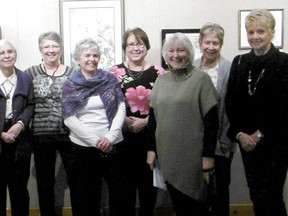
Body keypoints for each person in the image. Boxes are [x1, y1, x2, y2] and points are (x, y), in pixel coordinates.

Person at [147, 32, 219, 216]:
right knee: (178, 205)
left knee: (195, 205)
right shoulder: (161, 80)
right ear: (165, 54)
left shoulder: (201, 79)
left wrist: (208, 156)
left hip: (193, 157)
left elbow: (212, 122)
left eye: (181, 50)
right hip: (167, 156)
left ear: (189, 53)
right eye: (171, 51)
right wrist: (151, 149)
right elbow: (153, 119)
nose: (176, 55)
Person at [225, 9, 288, 216]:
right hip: (247, 143)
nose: (255, 36)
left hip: (275, 142)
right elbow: (231, 103)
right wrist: (240, 135)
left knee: (272, 195)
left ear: (272, 33)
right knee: (256, 193)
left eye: (260, 31)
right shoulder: (240, 62)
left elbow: (284, 106)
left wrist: (259, 134)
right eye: (250, 32)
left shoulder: (284, 62)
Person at [61, 38, 126, 216]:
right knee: (86, 198)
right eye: (87, 55)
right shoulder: (70, 84)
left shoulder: (109, 80)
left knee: (119, 196)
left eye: (95, 55)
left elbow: (121, 107)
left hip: (113, 145)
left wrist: (110, 137)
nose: (92, 59)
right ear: (78, 59)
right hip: (83, 148)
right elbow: (69, 118)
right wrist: (97, 140)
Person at [109, 27, 165, 216]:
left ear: (147, 47)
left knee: (148, 190)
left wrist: (146, 122)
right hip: (121, 139)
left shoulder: (159, 72)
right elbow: (107, 103)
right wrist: (123, 120)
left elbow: (164, 107)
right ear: (125, 47)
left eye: (140, 43)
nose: (136, 48)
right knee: (122, 193)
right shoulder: (113, 72)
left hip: (150, 139)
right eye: (131, 44)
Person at [25, 31, 75, 216]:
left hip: (69, 133)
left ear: (60, 49)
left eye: (54, 46)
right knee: (45, 182)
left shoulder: (72, 72)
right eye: (47, 46)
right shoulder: (30, 73)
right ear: (40, 50)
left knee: (75, 178)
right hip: (40, 135)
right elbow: (25, 103)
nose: (51, 50)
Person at [194, 22, 236, 216]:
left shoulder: (230, 68)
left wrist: (226, 140)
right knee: (198, 192)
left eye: (215, 43)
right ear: (200, 43)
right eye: (207, 42)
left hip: (222, 141)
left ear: (221, 44)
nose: (211, 47)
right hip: (195, 143)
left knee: (219, 192)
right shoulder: (191, 68)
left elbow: (233, 107)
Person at [0, 39, 34, 216]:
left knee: (19, 187)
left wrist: (20, 124)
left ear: (15, 54)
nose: (7, 56)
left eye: (10, 51)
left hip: (20, 139)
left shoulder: (24, 78)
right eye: (2, 53)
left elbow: (30, 105)